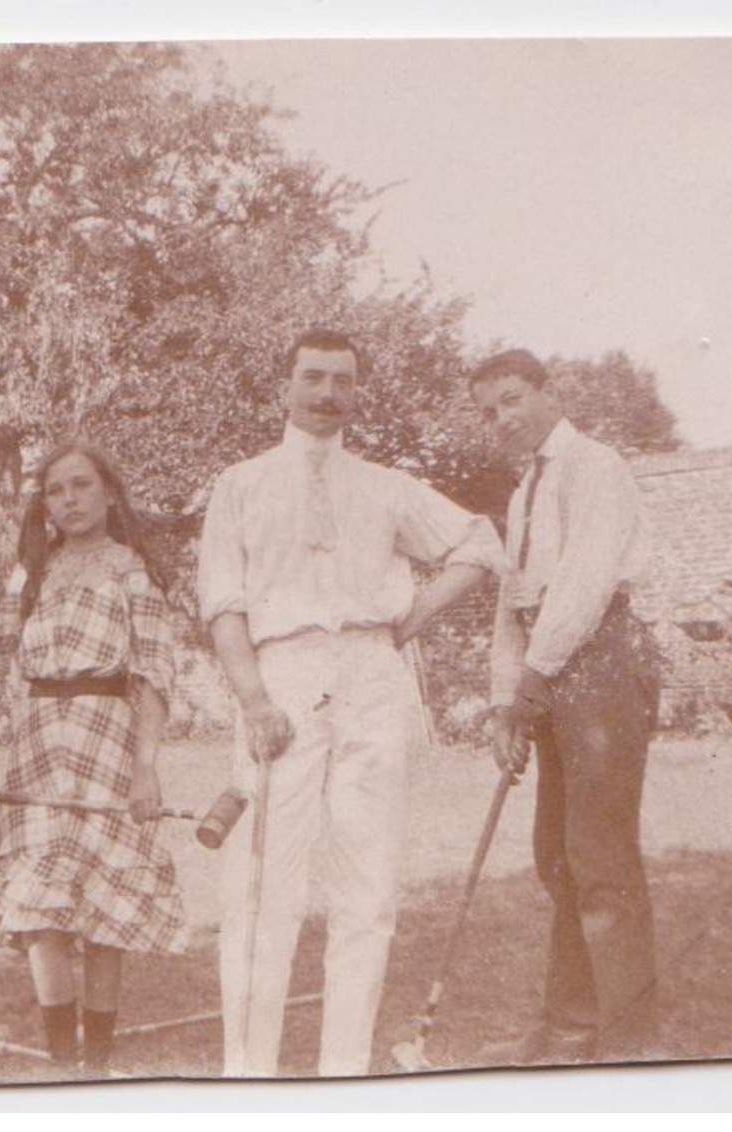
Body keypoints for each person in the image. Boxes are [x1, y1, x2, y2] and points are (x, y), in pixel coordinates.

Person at [196, 328, 505, 1078]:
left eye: (342, 380)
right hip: (284, 679)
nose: (327, 393)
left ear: (358, 392)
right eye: (312, 377)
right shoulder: (240, 484)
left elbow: (480, 543)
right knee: (267, 885)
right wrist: (254, 700)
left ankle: (345, 1072)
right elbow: (222, 606)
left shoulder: (386, 486)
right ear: (285, 386)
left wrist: (408, 621)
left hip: (370, 678)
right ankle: (249, 1074)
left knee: (366, 890)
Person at [0, 442, 188, 1076]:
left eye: (81, 486)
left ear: (109, 494)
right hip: (38, 746)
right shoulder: (31, 574)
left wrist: (145, 767)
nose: (68, 500)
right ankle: (61, 1062)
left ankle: (94, 1063)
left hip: (110, 741)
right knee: (39, 905)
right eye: (55, 490)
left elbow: (152, 676)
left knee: (103, 908)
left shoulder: (134, 572)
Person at [468, 348, 662, 1064]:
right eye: (489, 412)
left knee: (598, 851)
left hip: (601, 662)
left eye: (513, 399)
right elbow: (510, 606)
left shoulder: (595, 467)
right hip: (549, 666)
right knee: (557, 854)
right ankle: (574, 1023)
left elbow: (582, 584)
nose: (503, 419)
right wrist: (502, 703)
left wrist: (532, 682)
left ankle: (632, 1038)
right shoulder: (523, 493)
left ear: (550, 392)